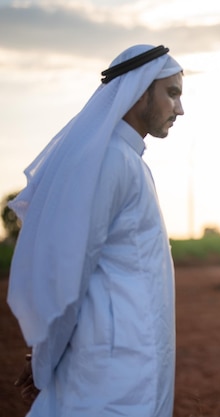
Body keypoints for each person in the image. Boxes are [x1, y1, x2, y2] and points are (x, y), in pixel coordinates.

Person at [8, 44, 184, 417]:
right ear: (138, 92)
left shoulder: (127, 161)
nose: (179, 109)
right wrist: (44, 362)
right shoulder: (109, 161)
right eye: (171, 93)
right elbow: (69, 273)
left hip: (132, 360)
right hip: (109, 368)